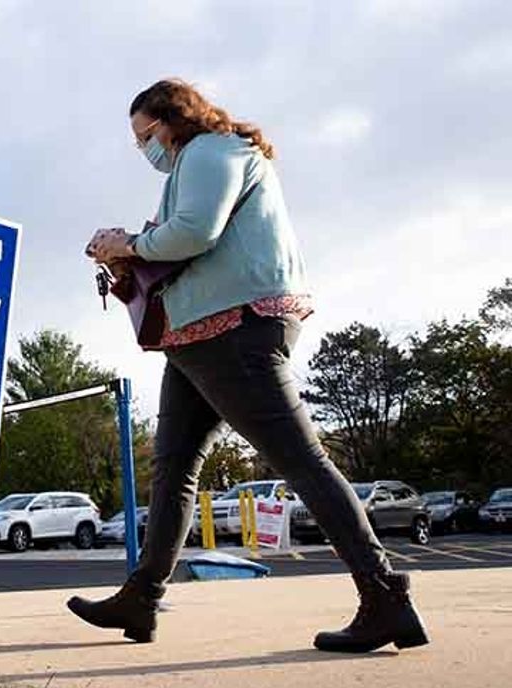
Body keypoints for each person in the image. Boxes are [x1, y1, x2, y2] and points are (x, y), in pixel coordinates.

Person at [70, 79, 428, 654]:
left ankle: (386, 597)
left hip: (231, 330)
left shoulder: (210, 150)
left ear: (175, 118)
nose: (147, 151)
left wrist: (129, 242)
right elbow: (188, 248)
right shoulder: (199, 159)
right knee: (174, 469)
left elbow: (193, 233)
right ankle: (141, 598)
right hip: (199, 336)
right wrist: (131, 259)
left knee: (302, 461)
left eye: (148, 135)